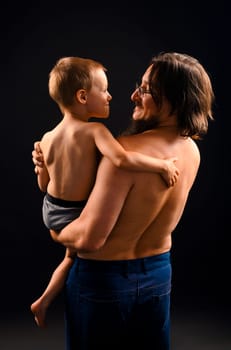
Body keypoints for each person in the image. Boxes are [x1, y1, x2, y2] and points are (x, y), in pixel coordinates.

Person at [32, 52, 214, 349]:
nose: (133, 96)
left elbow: (90, 239)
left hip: (103, 282)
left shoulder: (123, 153)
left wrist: (55, 230)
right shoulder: (191, 151)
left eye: (146, 90)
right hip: (158, 273)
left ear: (174, 99)